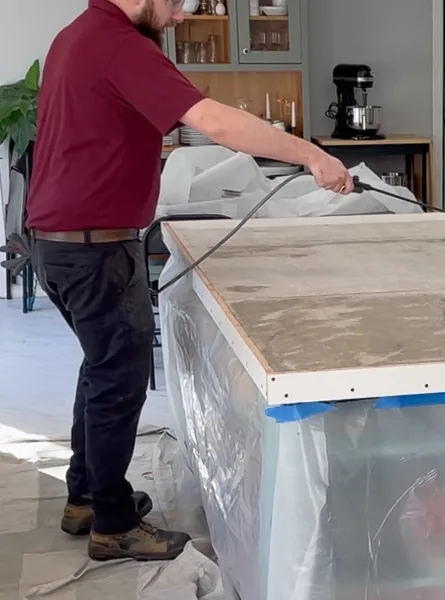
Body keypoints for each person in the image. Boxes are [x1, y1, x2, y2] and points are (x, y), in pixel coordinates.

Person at [21, 0, 354, 562]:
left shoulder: (76, 35)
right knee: (118, 380)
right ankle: (113, 523)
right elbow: (216, 122)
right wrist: (310, 154)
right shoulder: (119, 44)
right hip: (93, 247)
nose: (178, 17)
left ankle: (86, 498)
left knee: (100, 370)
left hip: (58, 241)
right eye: (177, 2)